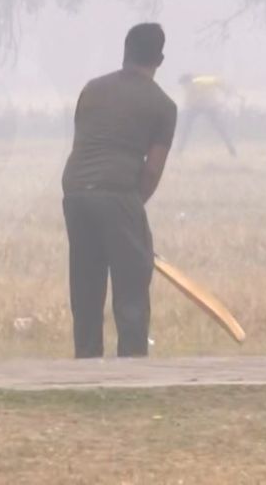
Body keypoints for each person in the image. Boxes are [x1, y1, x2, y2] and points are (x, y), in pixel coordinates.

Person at [61, 23, 178, 359]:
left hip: (75, 190)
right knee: (131, 286)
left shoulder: (92, 90)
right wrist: (130, 207)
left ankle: (86, 361)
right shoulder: (162, 105)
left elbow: (84, 142)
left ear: (125, 51)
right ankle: (130, 370)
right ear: (160, 59)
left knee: (86, 280)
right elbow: (152, 169)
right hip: (117, 191)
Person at [177, 73, 239, 156]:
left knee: (220, 128)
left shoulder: (202, 82)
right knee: (186, 128)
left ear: (189, 82)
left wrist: (226, 90)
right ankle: (179, 151)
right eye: (183, 86)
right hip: (196, 107)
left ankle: (232, 150)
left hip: (210, 106)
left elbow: (217, 81)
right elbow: (188, 102)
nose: (184, 87)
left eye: (185, 85)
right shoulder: (188, 89)